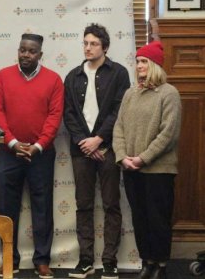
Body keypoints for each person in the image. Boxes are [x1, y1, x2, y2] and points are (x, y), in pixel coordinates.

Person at [0, 33, 64, 279]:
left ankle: (42, 260)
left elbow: (55, 118)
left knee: (42, 208)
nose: (25, 54)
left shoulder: (54, 80)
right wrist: (12, 143)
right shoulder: (2, 76)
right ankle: (9, 260)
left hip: (40, 155)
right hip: (9, 154)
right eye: (22, 50)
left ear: (40, 55)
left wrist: (38, 146)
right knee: (6, 209)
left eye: (31, 51)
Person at [63, 24, 130, 279]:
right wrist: (86, 143)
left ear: (105, 47)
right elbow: (68, 114)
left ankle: (110, 260)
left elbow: (119, 110)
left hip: (110, 148)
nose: (88, 48)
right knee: (84, 205)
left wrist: (100, 139)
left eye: (93, 43)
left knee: (112, 204)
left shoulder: (119, 73)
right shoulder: (72, 76)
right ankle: (86, 259)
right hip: (82, 151)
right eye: (85, 43)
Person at [113, 41, 182, 279]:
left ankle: (160, 265)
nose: (139, 65)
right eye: (138, 61)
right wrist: (123, 157)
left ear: (155, 65)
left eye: (144, 61)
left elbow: (168, 134)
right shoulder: (130, 94)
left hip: (159, 170)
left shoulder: (169, 93)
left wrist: (143, 158)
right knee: (140, 219)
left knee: (158, 220)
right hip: (131, 169)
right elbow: (118, 128)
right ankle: (147, 262)